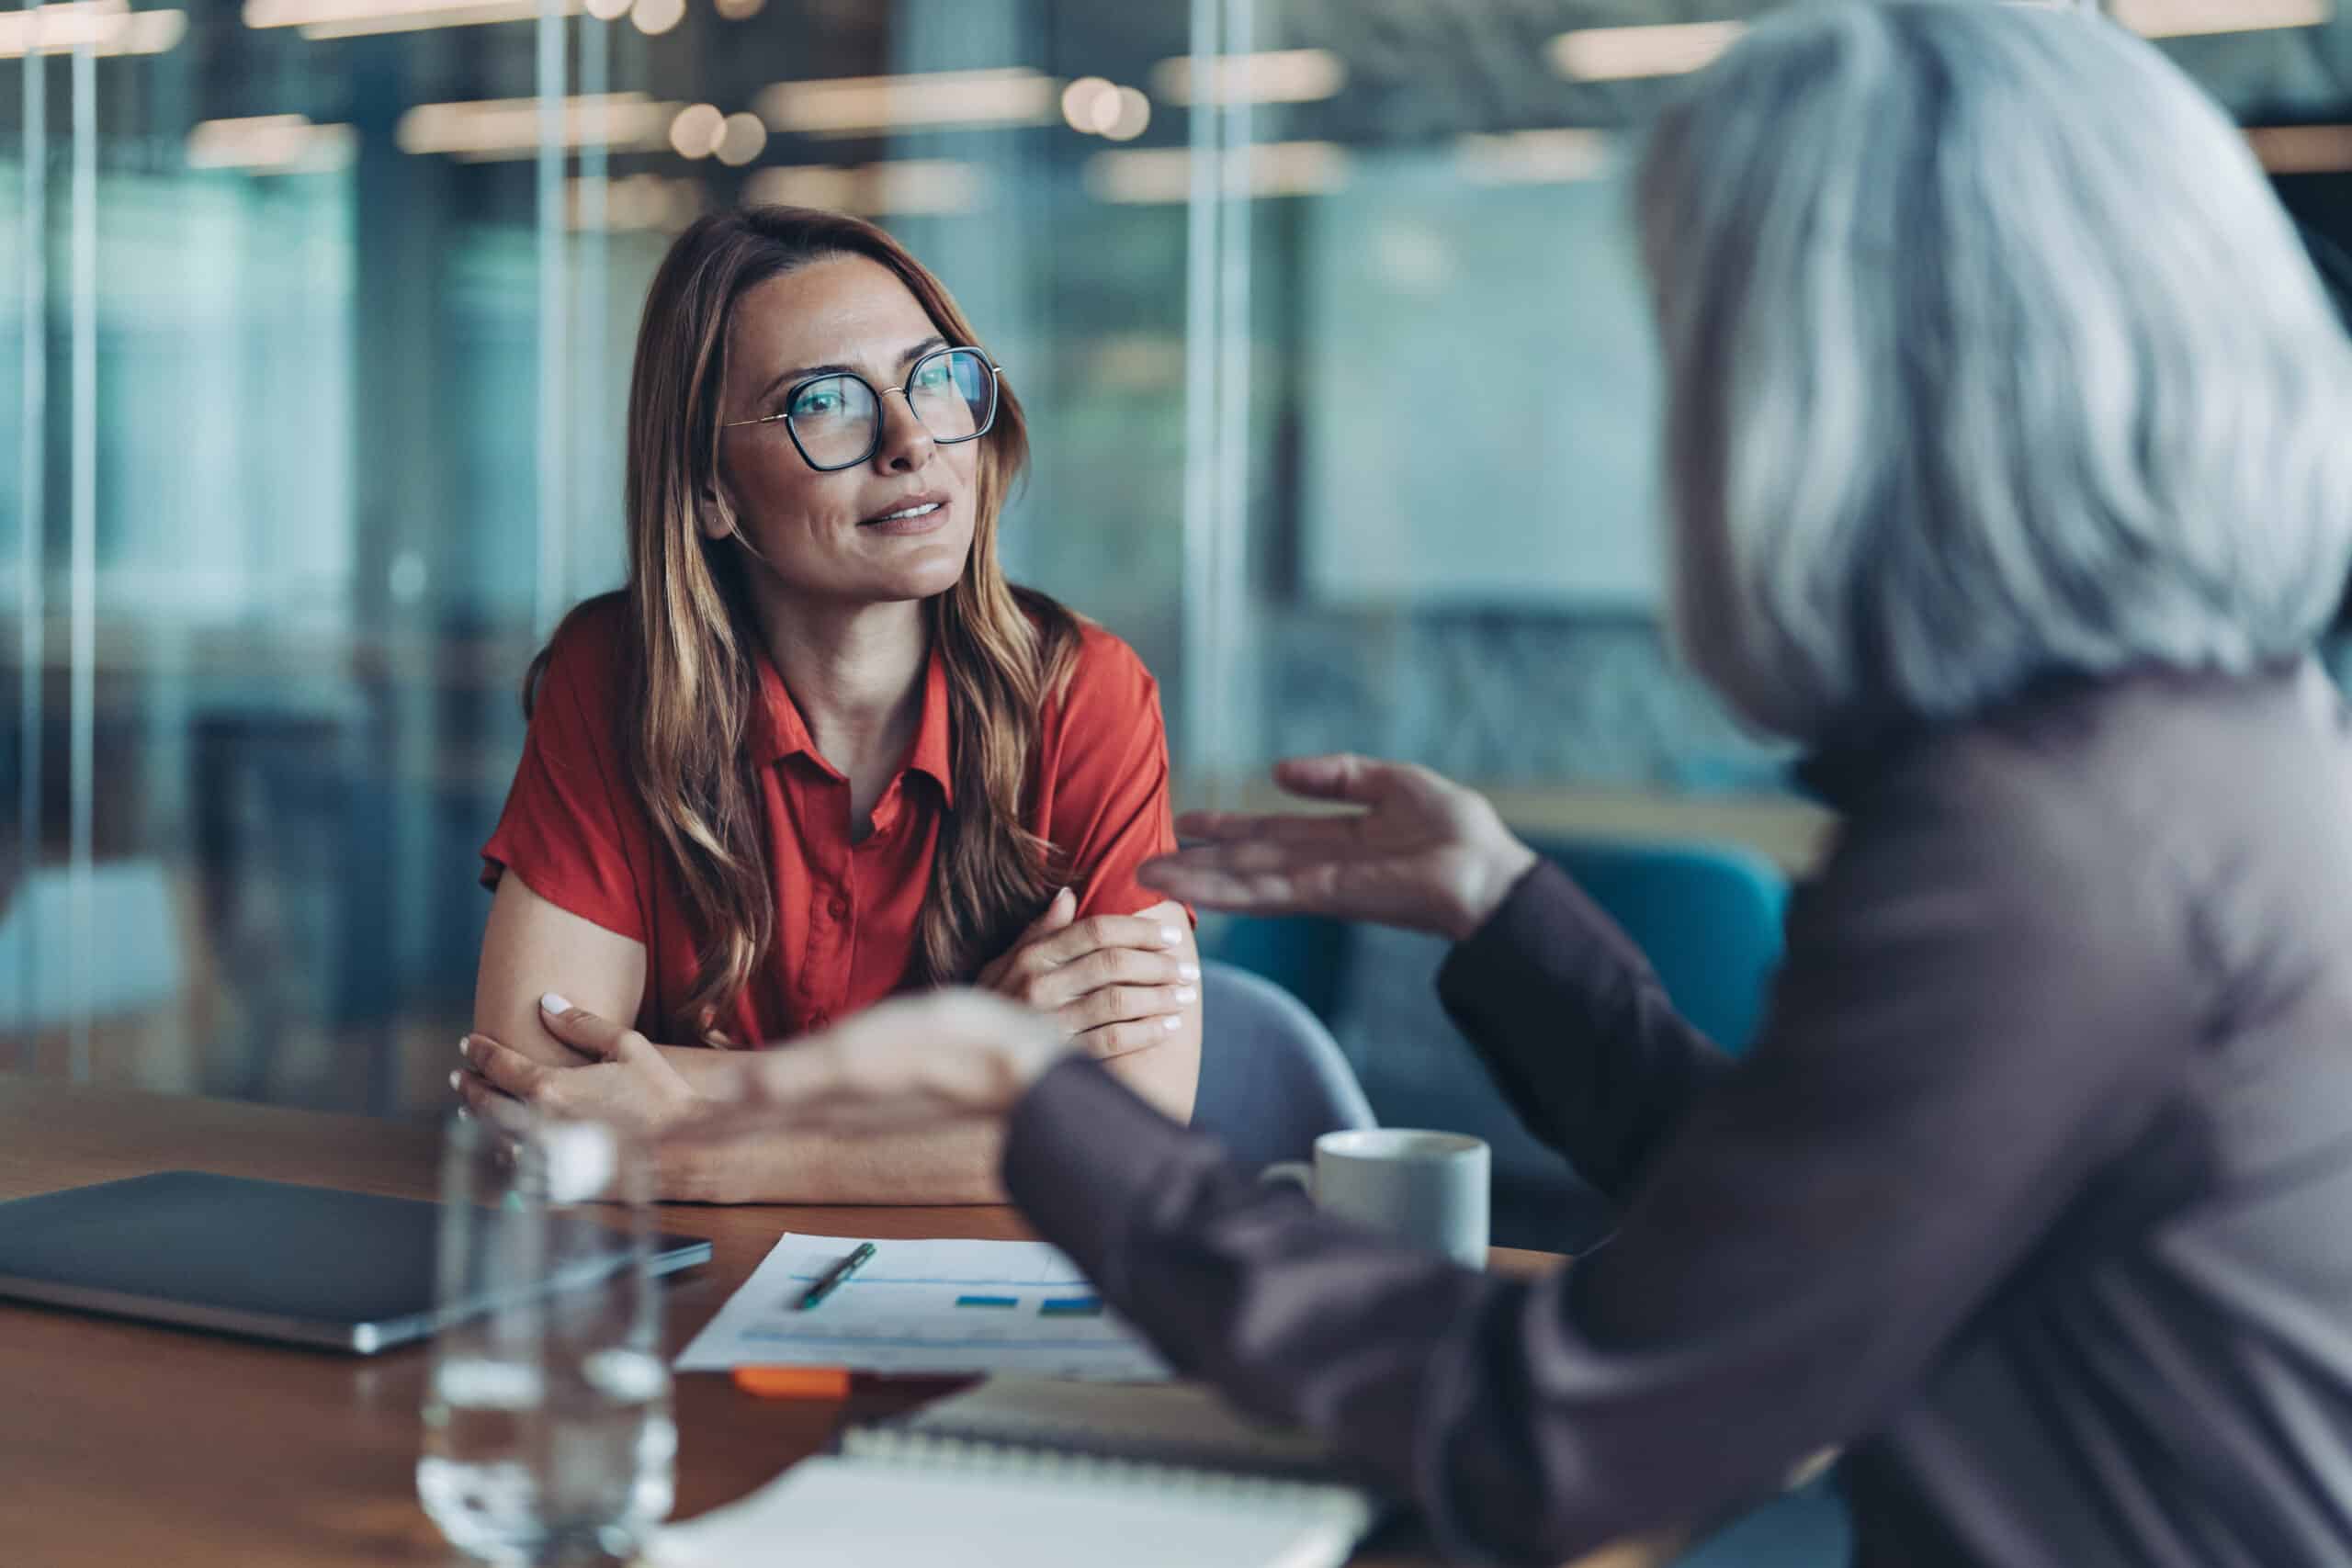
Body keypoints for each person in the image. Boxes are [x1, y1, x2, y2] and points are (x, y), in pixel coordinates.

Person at [461, 4, 2352, 1562]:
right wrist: (1502, 909)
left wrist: (1030, 1104)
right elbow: (1808, 1220)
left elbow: (1560, 1434)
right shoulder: (2192, 758)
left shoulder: (2046, 851)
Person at [453, 208, 1200, 1202]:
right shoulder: (614, 677)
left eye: (932, 379)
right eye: (825, 404)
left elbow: (1131, 1138)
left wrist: (707, 1146)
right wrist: (971, 1072)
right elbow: (538, 1096)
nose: (910, 441)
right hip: (689, 1310)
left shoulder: (1084, 693)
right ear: (711, 488)